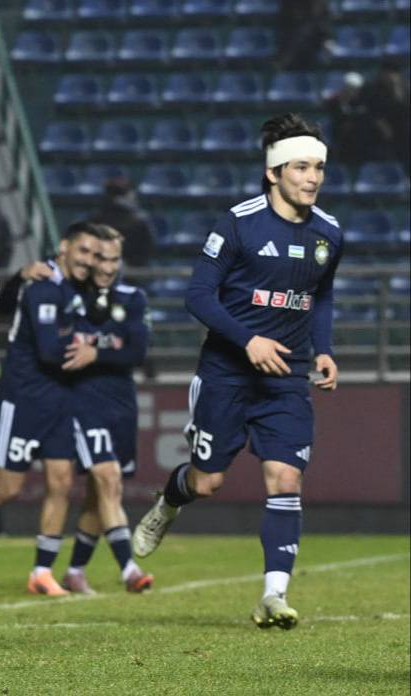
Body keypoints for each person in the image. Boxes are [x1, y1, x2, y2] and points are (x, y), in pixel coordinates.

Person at [132, 113, 341, 630]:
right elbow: (198, 296)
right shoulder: (239, 223)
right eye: (301, 167)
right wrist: (248, 340)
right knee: (207, 483)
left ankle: (274, 594)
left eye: (318, 167)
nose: (312, 177)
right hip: (226, 374)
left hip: (286, 378)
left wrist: (323, 349)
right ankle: (169, 502)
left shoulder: (329, 233)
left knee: (285, 477)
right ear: (273, 172)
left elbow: (322, 296)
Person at [0, 222, 106, 598]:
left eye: (95, 255)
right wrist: (96, 347)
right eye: (83, 251)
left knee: (61, 482)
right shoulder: (41, 285)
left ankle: (42, 571)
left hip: (61, 398)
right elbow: (48, 349)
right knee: (8, 487)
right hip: (25, 399)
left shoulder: (78, 289)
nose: (89, 260)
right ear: (65, 247)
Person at [59, 229, 154, 595]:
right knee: (108, 478)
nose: (108, 268)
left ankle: (75, 571)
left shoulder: (132, 297)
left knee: (99, 494)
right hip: (83, 401)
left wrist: (96, 354)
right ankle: (129, 569)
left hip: (122, 404)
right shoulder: (67, 294)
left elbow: (137, 352)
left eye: (114, 260)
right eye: (101, 258)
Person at [90, 177, 155, 270]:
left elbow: (147, 248)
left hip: (131, 271)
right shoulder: (96, 220)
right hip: (107, 271)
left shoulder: (140, 220)